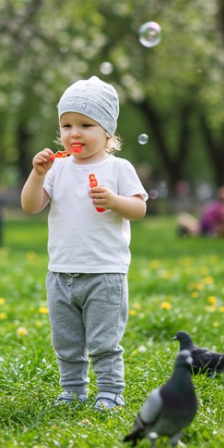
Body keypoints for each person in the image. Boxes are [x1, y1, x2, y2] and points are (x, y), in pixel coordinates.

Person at [21, 76, 148, 411]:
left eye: (85, 125)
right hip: (61, 273)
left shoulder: (118, 168)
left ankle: (110, 391)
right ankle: (73, 389)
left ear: (108, 132)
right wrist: (36, 174)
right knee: (66, 341)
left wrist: (115, 201)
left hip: (104, 273)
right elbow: (31, 206)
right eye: (66, 125)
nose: (74, 133)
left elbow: (139, 208)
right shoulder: (57, 168)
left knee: (105, 342)